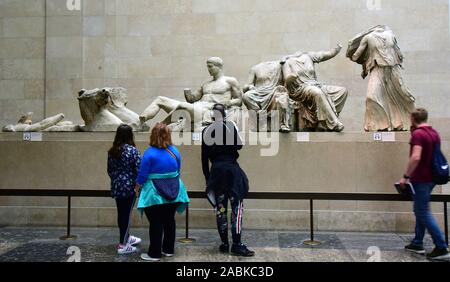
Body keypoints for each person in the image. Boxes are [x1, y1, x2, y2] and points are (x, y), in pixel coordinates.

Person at [202, 103, 255, 257]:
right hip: (232, 172)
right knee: (237, 208)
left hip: (216, 173)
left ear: (213, 115)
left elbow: (204, 158)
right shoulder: (230, 127)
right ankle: (237, 244)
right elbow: (239, 145)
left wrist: (208, 178)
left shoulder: (206, 131)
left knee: (221, 210)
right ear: (224, 114)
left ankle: (224, 243)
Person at [139, 57, 243, 131]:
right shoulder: (206, 84)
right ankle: (140, 121)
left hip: (208, 111)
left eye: (210, 67)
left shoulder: (230, 81)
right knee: (160, 99)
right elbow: (192, 99)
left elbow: (239, 100)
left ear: (218, 67)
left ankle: (160, 127)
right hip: (196, 107)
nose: (208, 69)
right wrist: (188, 93)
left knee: (182, 105)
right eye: (207, 67)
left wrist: (228, 102)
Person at [135, 123, 190, 262]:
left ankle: (154, 253)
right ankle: (168, 250)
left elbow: (142, 175)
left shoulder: (149, 153)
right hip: (174, 190)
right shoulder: (175, 151)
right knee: (169, 220)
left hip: (154, 193)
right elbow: (178, 171)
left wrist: (137, 188)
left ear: (153, 135)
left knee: (155, 222)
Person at [399, 108, 449, 261]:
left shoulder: (418, 135)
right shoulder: (433, 133)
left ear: (413, 119)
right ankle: (417, 242)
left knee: (422, 211)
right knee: (420, 210)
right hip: (432, 178)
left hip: (421, 178)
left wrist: (406, 176)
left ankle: (441, 247)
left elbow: (416, 157)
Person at [349, 25, 416, 131]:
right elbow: (399, 54)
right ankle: (382, 125)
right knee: (374, 96)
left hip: (390, 70)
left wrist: (355, 54)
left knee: (393, 96)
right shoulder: (384, 36)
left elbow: (355, 56)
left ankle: (396, 123)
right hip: (382, 69)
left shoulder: (370, 37)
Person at [281, 44, 348, 132]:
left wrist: (336, 49)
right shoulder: (287, 62)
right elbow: (286, 79)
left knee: (342, 91)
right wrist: (292, 76)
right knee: (317, 92)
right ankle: (334, 123)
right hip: (301, 89)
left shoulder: (309, 56)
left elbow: (327, 54)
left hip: (315, 85)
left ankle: (323, 121)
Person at [107, 124, 142, 255]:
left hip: (117, 186)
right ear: (130, 135)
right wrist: (137, 185)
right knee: (126, 215)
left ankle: (126, 238)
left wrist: (118, 180)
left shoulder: (112, 150)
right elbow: (140, 169)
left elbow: (109, 170)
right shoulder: (132, 151)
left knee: (121, 213)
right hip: (129, 188)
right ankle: (123, 244)